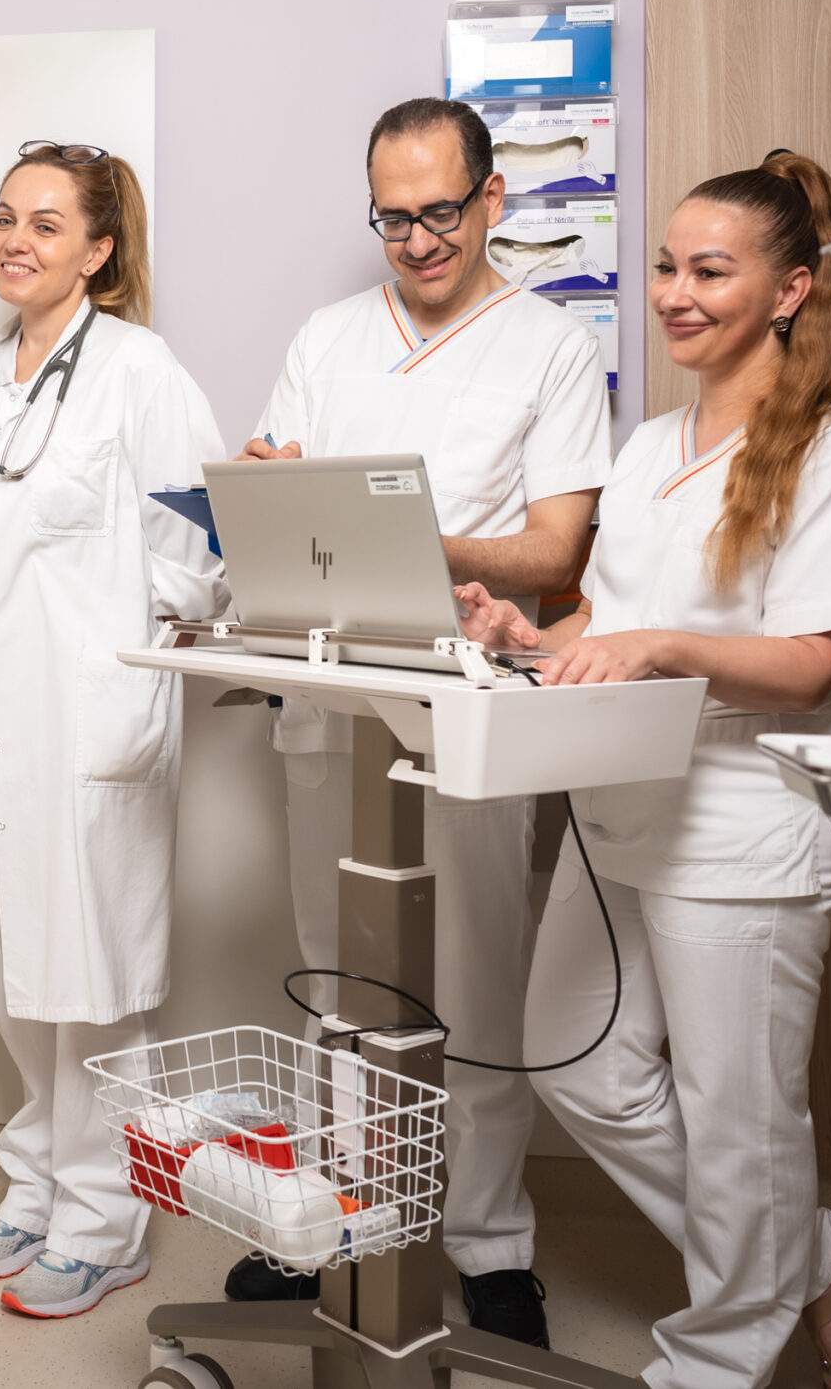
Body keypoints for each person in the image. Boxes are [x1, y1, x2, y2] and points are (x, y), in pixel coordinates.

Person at [457, 151, 831, 1389]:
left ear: (791, 289)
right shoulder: (648, 445)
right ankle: (816, 1254)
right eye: (663, 266)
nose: (674, 292)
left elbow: (811, 662)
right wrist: (525, 638)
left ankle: (710, 1361)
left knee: (741, 1123)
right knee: (574, 1064)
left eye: (710, 270)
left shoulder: (827, 449)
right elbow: (604, 622)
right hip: (618, 809)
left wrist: (655, 646)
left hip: (745, 823)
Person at [235, 98, 610, 1341]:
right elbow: (282, 497)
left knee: (477, 980)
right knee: (334, 969)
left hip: (467, 707)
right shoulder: (328, 337)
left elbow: (555, 552)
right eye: (391, 217)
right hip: (329, 698)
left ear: (492, 199)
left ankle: (491, 1241)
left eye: (439, 211)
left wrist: (401, 536)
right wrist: (269, 499)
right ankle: (337, 1214)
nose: (416, 238)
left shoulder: (550, 346)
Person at [0, 145, 226, 1320]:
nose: (15, 240)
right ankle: (38, 1182)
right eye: (3, 217)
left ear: (98, 250)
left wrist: (138, 643)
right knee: (5, 951)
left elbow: (201, 543)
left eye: (46, 224)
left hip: (81, 708)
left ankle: (108, 1220)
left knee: (88, 972)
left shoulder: (140, 371)